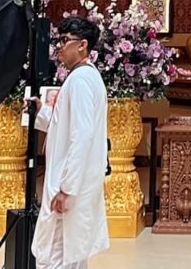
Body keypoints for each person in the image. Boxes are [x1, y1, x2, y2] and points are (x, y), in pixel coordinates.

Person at [31, 16, 110, 269]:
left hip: (69, 182)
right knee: (70, 256)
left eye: (64, 41)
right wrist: (42, 111)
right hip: (73, 179)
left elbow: (82, 135)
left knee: (55, 256)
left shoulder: (81, 79)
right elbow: (65, 127)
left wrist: (67, 187)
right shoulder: (81, 77)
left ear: (82, 45)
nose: (59, 47)